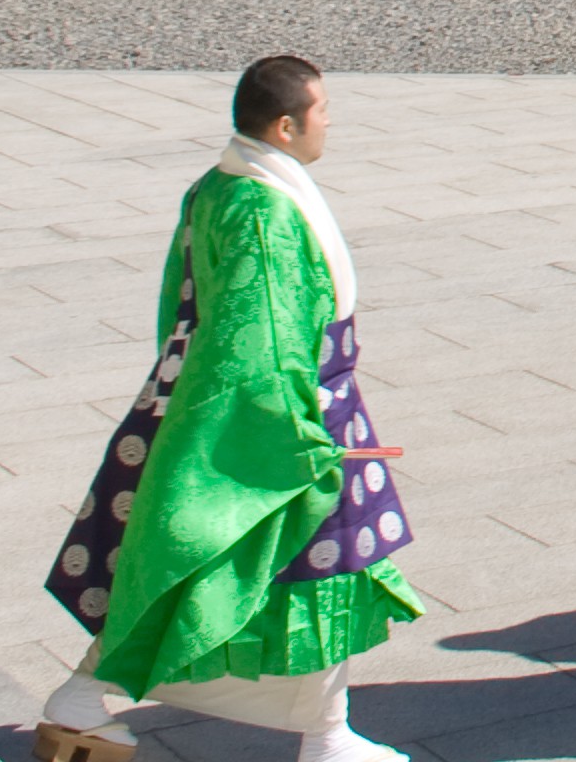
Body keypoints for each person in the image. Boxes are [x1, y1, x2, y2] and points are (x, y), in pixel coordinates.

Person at [34, 58, 414, 762]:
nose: (330, 120)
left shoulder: (220, 185)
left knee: (196, 564)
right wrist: (294, 434)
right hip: (284, 410)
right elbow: (260, 339)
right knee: (313, 568)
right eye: (323, 108)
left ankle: (82, 698)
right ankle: (328, 739)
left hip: (221, 400)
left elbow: (184, 302)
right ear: (285, 125)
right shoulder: (266, 212)